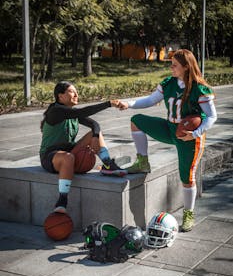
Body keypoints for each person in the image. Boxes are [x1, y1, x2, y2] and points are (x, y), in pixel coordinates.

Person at [113, 49, 217, 232]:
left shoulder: (199, 88)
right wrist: (128, 103)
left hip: (189, 137)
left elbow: (211, 117)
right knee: (136, 121)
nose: (171, 67)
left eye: (174, 65)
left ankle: (188, 214)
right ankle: (142, 162)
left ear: (186, 67)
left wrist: (195, 133)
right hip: (170, 128)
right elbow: (151, 100)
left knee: (187, 177)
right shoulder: (169, 83)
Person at [40, 81, 127, 214]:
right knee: (68, 158)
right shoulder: (55, 111)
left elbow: (95, 125)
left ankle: (108, 164)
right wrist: (108, 104)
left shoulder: (72, 113)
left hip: (69, 151)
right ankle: (62, 200)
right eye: (71, 91)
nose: (76, 94)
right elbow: (83, 111)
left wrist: (95, 137)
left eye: (76, 92)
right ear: (60, 96)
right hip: (51, 156)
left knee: (94, 134)